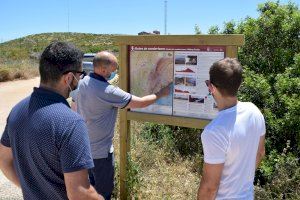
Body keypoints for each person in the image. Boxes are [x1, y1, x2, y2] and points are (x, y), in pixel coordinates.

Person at [0, 42, 103, 200]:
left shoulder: (17, 110)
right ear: (68, 78)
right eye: (80, 74)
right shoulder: (71, 122)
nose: (80, 78)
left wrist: (33, 189)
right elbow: (80, 193)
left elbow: (4, 161)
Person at [74, 51, 171, 199]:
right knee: (102, 194)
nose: (115, 73)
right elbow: (141, 102)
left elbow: (75, 106)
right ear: (103, 70)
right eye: (113, 70)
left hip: (83, 149)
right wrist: (161, 93)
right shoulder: (108, 91)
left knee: (88, 191)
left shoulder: (82, 83)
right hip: (101, 154)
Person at [198, 58, 266, 200]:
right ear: (239, 85)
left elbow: (210, 188)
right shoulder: (254, 111)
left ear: (212, 88)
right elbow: (260, 153)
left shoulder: (214, 132)